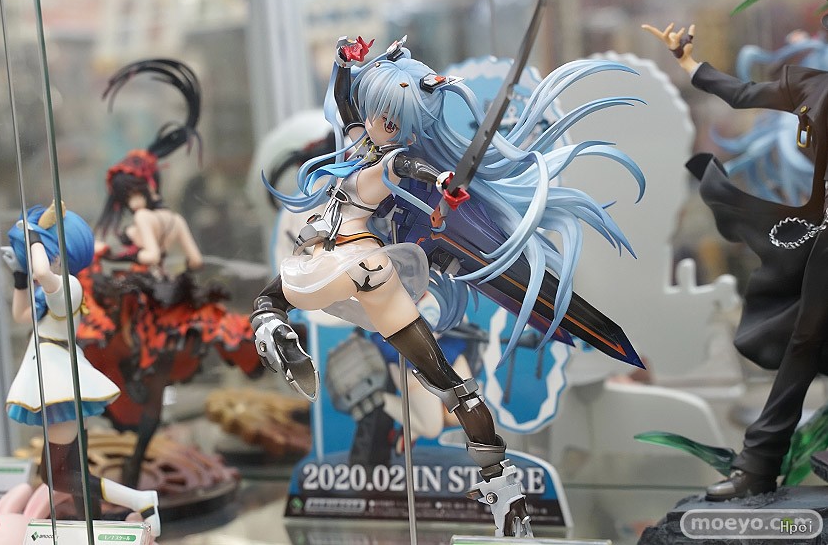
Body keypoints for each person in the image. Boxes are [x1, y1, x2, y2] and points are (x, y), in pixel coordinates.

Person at [252, 34, 644, 537]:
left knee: (268, 302)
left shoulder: (380, 160)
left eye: (392, 120)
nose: (380, 123)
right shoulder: (358, 142)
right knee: (451, 386)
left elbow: (406, 164)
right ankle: (505, 495)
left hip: (336, 257)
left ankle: (278, 336)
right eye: (379, 114)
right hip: (375, 270)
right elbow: (349, 104)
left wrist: (439, 181)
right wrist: (343, 65)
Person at [643, 21, 828, 500]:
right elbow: (743, 94)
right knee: (804, 339)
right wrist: (687, 62)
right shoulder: (812, 86)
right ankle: (758, 466)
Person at [80, 59, 260, 489]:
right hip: (168, 291)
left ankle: (138, 386)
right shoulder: (174, 219)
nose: (126, 201)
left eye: (127, 193)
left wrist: (121, 251)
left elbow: (146, 253)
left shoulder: (143, 220)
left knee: (114, 329)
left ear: (138, 190)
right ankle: (139, 400)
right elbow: (194, 260)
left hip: (146, 295)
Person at [0, 204, 161, 536]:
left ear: (57, 254)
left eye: (38, 253)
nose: (33, 262)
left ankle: (140, 500)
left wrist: (33, 238)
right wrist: (18, 275)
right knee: (61, 474)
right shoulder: (52, 290)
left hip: (61, 387)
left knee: (58, 476)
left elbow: (42, 270)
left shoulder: (69, 286)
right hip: (53, 381)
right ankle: (119, 510)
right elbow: (22, 315)